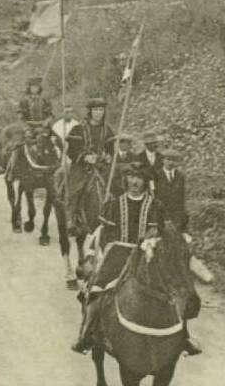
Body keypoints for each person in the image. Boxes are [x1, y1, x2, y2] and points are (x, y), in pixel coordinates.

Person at [72, 161, 160, 354]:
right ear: (125, 179)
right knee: (97, 291)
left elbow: (154, 231)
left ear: (146, 182)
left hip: (145, 254)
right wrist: (103, 252)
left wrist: (148, 245)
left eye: (139, 178)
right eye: (131, 177)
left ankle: (182, 337)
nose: (135, 182)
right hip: (117, 253)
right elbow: (104, 234)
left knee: (170, 289)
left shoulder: (154, 205)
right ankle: (86, 334)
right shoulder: (113, 204)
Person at [63, 98, 115, 233]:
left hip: (101, 165)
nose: (99, 113)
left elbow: (111, 148)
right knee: (76, 187)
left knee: (116, 183)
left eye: (101, 110)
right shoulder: (79, 129)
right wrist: (84, 157)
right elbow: (71, 150)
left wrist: (109, 156)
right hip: (82, 166)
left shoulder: (107, 129)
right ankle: (71, 218)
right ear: (90, 112)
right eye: (96, 110)